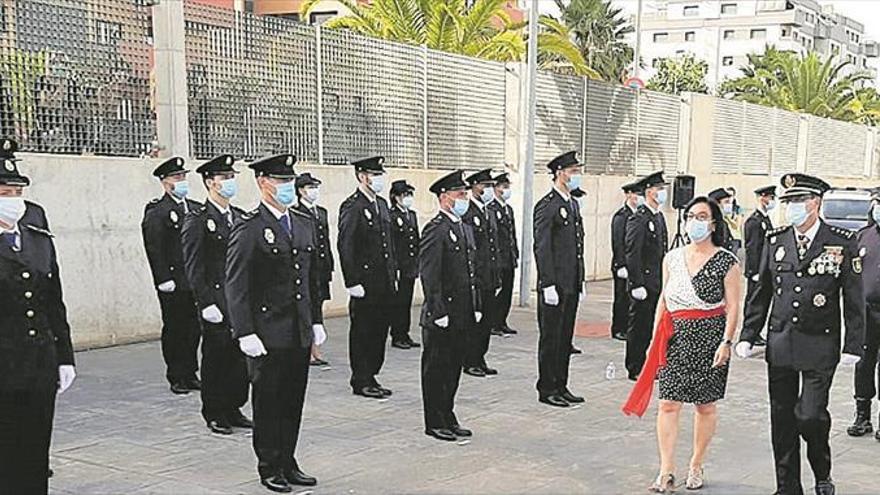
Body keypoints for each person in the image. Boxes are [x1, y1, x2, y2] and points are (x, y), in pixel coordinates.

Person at [737, 173, 865, 495]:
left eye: (798, 201)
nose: (792, 207)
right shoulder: (776, 240)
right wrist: (748, 333)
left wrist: (853, 343)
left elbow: (853, 297)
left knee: (810, 415)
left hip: (820, 343)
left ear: (816, 203)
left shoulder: (841, 241)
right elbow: (760, 291)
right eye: (788, 201)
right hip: (781, 339)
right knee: (782, 419)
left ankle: (821, 470)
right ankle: (787, 486)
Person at [623, 196, 742, 492]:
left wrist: (727, 342)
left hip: (709, 335)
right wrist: (653, 340)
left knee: (704, 405)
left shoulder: (727, 261)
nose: (695, 222)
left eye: (702, 217)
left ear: (714, 223)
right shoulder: (672, 258)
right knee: (667, 404)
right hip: (675, 336)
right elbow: (664, 299)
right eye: (691, 216)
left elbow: (734, 305)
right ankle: (666, 470)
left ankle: (696, 464)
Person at [225, 154, 324, 493]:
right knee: (268, 402)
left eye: (289, 181)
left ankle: (288, 459)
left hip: (297, 330)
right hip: (267, 333)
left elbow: (309, 280)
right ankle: (269, 465)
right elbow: (236, 284)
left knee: (293, 399)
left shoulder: (302, 222)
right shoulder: (250, 227)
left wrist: (316, 321)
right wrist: (245, 331)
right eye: (280, 182)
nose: (286, 187)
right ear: (262, 182)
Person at [0, 139, 76, 494]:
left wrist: (64, 356)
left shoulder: (34, 228)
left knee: (35, 449)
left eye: (17, 191)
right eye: (4, 191)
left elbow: (52, 297)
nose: (14, 199)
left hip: (38, 363)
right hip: (4, 365)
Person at [181, 154, 251, 436]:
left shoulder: (241, 217)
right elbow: (194, 266)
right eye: (224, 178)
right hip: (217, 302)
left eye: (232, 177)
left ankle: (234, 407)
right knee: (216, 358)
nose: (230, 182)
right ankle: (215, 411)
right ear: (210, 182)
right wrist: (206, 302)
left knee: (239, 360)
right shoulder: (198, 219)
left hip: (239, 302)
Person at [419, 170, 480, 442]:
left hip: (461, 312)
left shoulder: (463, 227)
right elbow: (430, 274)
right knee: (437, 369)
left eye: (465, 194)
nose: (464, 199)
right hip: (442, 314)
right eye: (460, 195)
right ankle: (435, 420)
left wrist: (475, 304)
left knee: (454, 367)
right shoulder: (436, 229)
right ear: (445, 198)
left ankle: (448, 413)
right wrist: (437, 308)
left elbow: (470, 271)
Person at [337, 156, 398, 399]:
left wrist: (393, 275)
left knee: (379, 330)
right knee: (363, 331)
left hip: (384, 282)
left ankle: (372, 374)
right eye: (375, 175)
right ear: (362, 177)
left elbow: (388, 245)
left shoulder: (381, 204)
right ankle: (360, 378)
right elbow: (346, 245)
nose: (379, 179)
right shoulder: (353, 206)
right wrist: (352, 281)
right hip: (365, 282)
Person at [141, 156, 203, 394]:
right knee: (176, 328)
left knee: (193, 328)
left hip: (194, 280)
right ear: (165, 182)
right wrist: (162, 278)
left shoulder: (195, 208)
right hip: (173, 281)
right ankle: (176, 375)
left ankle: (190, 372)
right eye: (177, 177)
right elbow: (154, 247)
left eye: (183, 177)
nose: (182, 181)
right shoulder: (158, 211)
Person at [533, 151, 585, 407]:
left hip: (571, 282)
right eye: (573, 171)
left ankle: (561, 384)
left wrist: (580, 279)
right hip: (555, 284)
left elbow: (576, 246)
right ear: (559, 172)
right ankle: (547, 388)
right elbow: (542, 247)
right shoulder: (548, 205)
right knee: (551, 338)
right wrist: (547, 283)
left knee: (564, 338)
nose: (576, 176)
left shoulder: (572, 204)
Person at [625, 171, 670, 381]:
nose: (663, 193)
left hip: (657, 282)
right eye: (659, 189)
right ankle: (635, 366)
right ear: (649, 191)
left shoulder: (658, 217)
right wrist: (636, 283)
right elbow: (632, 252)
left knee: (654, 326)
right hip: (643, 283)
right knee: (640, 326)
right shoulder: (639, 218)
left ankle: (650, 364)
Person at [461, 169, 501, 377]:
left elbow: (493, 248)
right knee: (474, 322)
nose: (487, 190)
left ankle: (480, 357)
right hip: (476, 276)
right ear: (474, 186)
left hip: (489, 276)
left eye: (489, 186)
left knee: (486, 321)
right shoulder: (468, 213)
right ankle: (470, 360)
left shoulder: (489, 212)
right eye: (484, 186)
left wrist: (496, 277)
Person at [847, 193, 880, 439]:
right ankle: (862, 416)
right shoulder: (863, 236)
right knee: (864, 362)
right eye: (877, 204)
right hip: (866, 312)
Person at [293, 172, 335, 367]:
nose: (314, 191)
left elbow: (324, 241)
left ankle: (316, 347)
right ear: (301, 190)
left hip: (321, 268)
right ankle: (308, 349)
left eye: (315, 187)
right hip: (307, 268)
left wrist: (330, 265)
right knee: (307, 309)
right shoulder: (296, 212)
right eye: (310, 187)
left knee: (318, 307)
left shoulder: (322, 212)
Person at [388, 179, 421, 350]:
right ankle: (397, 334)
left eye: (409, 194)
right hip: (399, 266)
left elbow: (416, 240)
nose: (408, 198)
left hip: (410, 266)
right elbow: (391, 244)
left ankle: (405, 333)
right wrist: (394, 267)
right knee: (398, 303)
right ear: (395, 197)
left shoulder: (411, 215)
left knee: (406, 301)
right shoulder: (391, 216)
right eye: (404, 195)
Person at [743, 185, 776, 347]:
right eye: (770, 198)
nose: (772, 201)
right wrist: (754, 271)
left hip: (765, 269)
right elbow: (753, 248)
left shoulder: (765, 219)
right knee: (753, 302)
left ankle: (756, 332)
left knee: (762, 302)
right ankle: (750, 332)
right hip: (756, 270)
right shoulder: (754, 221)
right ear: (763, 198)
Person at [487, 172, 519, 336]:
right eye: (503, 186)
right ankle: (493, 323)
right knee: (497, 293)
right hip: (498, 259)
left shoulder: (508, 209)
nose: (506, 190)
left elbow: (511, 235)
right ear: (496, 188)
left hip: (509, 258)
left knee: (507, 291)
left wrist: (515, 254)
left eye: (507, 186)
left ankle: (502, 321)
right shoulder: (492, 209)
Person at [610, 180, 642, 341]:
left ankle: (629, 327)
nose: (638, 197)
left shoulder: (639, 215)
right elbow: (618, 242)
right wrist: (621, 264)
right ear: (628, 194)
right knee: (621, 297)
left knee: (631, 299)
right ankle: (618, 328)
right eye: (636, 194)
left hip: (635, 265)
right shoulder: (621, 216)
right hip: (622, 265)